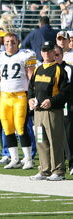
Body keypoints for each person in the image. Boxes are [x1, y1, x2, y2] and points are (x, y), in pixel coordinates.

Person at [0, 32, 36, 169]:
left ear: (18, 42)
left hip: (20, 96)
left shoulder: (25, 55)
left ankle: (28, 159)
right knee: (7, 128)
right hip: (4, 96)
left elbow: (31, 79)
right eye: (7, 42)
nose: (10, 44)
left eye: (13, 41)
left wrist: (31, 97)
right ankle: (14, 158)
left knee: (20, 127)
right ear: (3, 43)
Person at [28, 41, 70, 181]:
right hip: (38, 112)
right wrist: (30, 99)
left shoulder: (59, 70)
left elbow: (66, 92)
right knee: (41, 140)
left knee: (55, 140)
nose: (46, 53)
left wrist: (52, 101)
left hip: (52, 112)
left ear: (54, 52)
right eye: (44, 50)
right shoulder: (37, 69)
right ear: (41, 52)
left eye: (49, 51)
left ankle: (58, 171)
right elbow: (31, 89)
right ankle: (44, 169)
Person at [54, 45, 73, 175]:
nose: (55, 57)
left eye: (57, 55)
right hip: (48, 107)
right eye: (52, 54)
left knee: (68, 135)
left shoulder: (68, 68)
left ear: (62, 55)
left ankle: (71, 163)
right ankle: (52, 165)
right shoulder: (45, 68)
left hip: (66, 106)